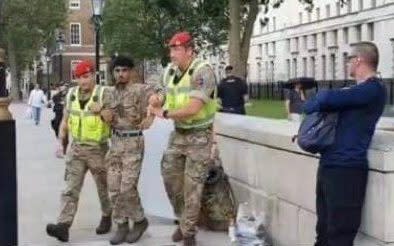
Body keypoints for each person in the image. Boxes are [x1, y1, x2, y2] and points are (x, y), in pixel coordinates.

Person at [302, 42, 386, 246]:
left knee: (340, 235)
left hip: (347, 170)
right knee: (323, 230)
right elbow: (314, 105)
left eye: (349, 58)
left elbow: (322, 100)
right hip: (328, 165)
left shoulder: (373, 90)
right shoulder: (353, 92)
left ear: (359, 60)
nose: (346, 63)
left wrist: (320, 99)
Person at [148, 31, 221, 246]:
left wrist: (166, 113)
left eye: (176, 49)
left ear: (190, 50)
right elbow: (162, 90)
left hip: (200, 135)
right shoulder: (170, 70)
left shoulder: (202, 72)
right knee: (170, 179)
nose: (172, 54)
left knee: (193, 185)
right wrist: (156, 98)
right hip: (179, 135)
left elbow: (193, 107)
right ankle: (185, 221)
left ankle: (188, 233)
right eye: (171, 49)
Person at [46, 60, 112, 242]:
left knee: (103, 188)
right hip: (76, 148)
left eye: (86, 77)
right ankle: (63, 225)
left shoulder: (103, 93)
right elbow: (65, 120)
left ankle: (107, 216)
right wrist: (60, 141)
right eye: (80, 78)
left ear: (93, 76)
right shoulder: (72, 95)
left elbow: (112, 119)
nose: (83, 82)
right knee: (70, 188)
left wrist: (101, 111)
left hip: (98, 149)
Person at [102, 56, 155, 245]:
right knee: (114, 188)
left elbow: (160, 95)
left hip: (133, 142)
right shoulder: (108, 93)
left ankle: (140, 221)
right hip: (116, 141)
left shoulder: (141, 89)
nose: (120, 74)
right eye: (117, 71)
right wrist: (103, 114)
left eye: (124, 70)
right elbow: (108, 116)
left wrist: (151, 115)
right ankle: (122, 225)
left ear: (131, 72)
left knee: (127, 188)